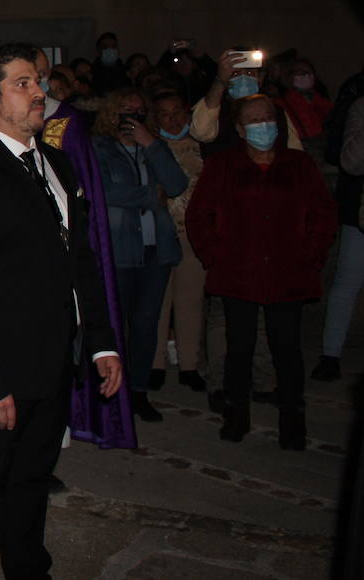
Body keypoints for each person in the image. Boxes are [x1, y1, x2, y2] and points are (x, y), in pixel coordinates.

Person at [0, 43, 122, 579]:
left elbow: (79, 259)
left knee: (32, 480)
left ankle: (28, 568)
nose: (41, 93)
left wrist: (101, 341)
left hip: (51, 358)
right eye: (23, 84)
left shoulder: (54, 163)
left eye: (38, 82)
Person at [186, 94, 336, 448]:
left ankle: (292, 419)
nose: (262, 126)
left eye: (267, 118)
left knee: (287, 349)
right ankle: (236, 415)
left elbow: (323, 214)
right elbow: (199, 215)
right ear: (240, 129)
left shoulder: (299, 165)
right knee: (239, 348)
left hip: (288, 273)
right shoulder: (223, 165)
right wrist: (214, 256)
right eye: (253, 120)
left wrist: (311, 255)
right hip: (237, 272)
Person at [34, 48, 137, 450]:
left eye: (42, 75)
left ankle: (53, 441)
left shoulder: (65, 121)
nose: (38, 84)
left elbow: (81, 194)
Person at [91, 89, 188, 423]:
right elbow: (103, 192)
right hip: (119, 249)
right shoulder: (99, 148)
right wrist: (149, 194)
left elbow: (176, 184)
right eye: (125, 110)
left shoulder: (153, 147)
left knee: (147, 325)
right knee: (115, 324)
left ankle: (139, 391)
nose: (132, 116)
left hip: (156, 249)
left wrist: (151, 144)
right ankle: (109, 390)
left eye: (138, 110)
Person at [148, 92, 209, 392]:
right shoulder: (149, 147)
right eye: (164, 114)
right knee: (160, 301)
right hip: (160, 234)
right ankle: (155, 363)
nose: (172, 119)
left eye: (177, 112)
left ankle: (189, 364)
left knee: (190, 301)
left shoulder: (202, 145)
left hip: (193, 235)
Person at [314, 70, 364, 381]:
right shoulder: (360, 107)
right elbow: (351, 161)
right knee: (347, 282)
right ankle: (330, 354)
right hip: (359, 212)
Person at [191, 49, 303, 154]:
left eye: (249, 73)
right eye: (236, 74)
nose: (243, 79)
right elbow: (201, 133)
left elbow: (295, 150)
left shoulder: (277, 112)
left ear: (260, 78)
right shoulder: (214, 107)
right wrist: (220, 81)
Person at [279, 57, 332, 141]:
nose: (305, 75)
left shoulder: (324, 103)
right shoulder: (282, 105)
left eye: (308, 72)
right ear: (289, 77)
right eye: (300, 72)